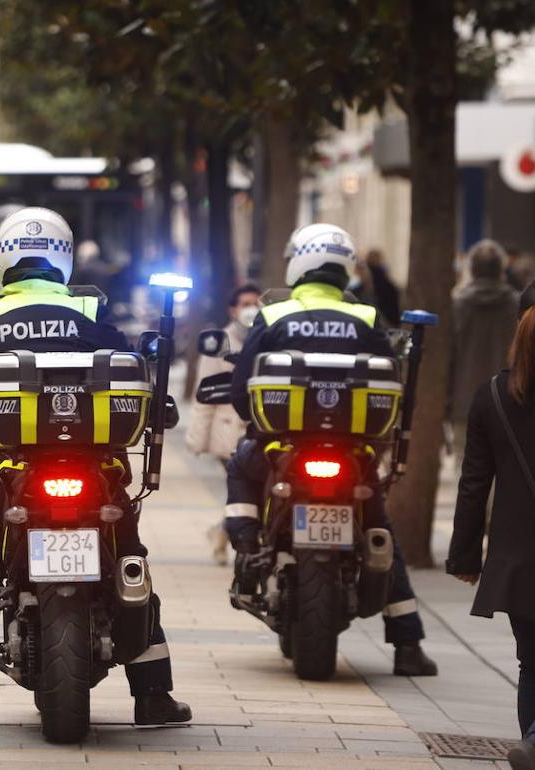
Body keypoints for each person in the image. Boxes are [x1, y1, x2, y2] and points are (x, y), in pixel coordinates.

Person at [0, 207, 192, 728]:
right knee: (129, 564)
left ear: (4, 259)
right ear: (64, 259)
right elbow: (129, 374)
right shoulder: (90, 312)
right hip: (97, 473)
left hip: (16, 473)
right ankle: (152, 697)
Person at [224, 223, 437, 676]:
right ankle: (408, 645)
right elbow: (393, 384)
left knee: (240, 468)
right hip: (353, 452)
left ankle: (246, 550)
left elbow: (243, 388)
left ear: (298, 261)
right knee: (377, 526)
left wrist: (254, 422)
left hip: (283, 448)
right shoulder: (366, 318)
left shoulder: (276, 313)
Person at [449, 285, 535, 770]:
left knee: (532, 664)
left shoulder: (494, 397)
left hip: (518, 559)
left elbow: (473, 484)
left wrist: (465, 557)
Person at [186, 283, 260, 565]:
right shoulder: (220, 342)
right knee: (242, 491)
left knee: (245, 493)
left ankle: (221, 532)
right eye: (245, 303)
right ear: (233, 309)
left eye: (255, 302)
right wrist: (197, 437)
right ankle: (227, 534)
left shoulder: (266, 336)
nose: (251, 308)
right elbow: (204, 393)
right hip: (227, 432)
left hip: (260, 429)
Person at [451, 240, 519, 458]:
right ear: (502, 269)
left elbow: (448, 359)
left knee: (465, 468)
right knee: (505, 470)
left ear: (471, 269)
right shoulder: (519, 307)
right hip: (509, 402)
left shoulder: (456, 305)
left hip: (465, 402)